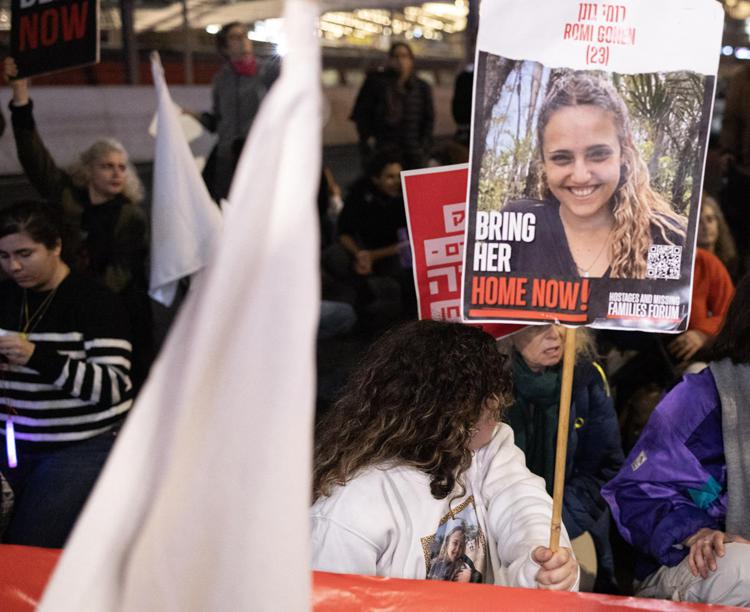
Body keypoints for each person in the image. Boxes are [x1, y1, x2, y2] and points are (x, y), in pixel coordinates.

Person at [311, 320, 579, 590]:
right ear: (453, 409)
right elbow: (334, 598)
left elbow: (522, 504)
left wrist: (540, 563)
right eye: (488, 396)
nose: (499, 404)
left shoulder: (486, 446)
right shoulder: (350, 508)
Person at [601, 274, 750, 606]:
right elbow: (634, 491)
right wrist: (695, 530)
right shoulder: (702, 398)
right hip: (689, 561)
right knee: (744, 570)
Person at [4, 57, 152, 388]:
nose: (116, 173)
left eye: (121, 167)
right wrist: (21, 97)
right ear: (87, 170)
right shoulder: (66, 197)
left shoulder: (131, 216)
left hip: (111, 311)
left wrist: (83, 298)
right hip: (64, 305)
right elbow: (33, 156)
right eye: (107, 166)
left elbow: (121, 273)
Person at [0, 201, 134, 548]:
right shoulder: (6, 297)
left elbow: (112, 388)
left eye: (25, 254)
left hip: (83, 444)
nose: (13, 266)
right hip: (15, 441)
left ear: (56, 246)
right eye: (3, 256)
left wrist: (36, 356)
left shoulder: (95, 302)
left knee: (31, 541)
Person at [503, 71, 686, 279]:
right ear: (543, 162)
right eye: (562, 158)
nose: (580, 176)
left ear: (624, 153)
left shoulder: (666, 238)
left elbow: (671, 306)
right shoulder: (516, 224)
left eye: (598, 155)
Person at [499, 324, 623, 591]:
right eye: (539, 326)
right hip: (500, 520)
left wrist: (552, 523)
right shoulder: (488, 384)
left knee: (565, 581)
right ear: (508, 333)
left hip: (567, 520)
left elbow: (604, 470)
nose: (556, 333)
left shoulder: (587, 379)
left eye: (562, 322)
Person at [323, 148, 413, 318]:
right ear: (375, 178)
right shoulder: (359, 195)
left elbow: (410, 241)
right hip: (363, 249)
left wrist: (372, 256)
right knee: (334, 256)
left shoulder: (408, 197)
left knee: (404, 272)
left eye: (398, 176)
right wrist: (359, 254)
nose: (396, 182)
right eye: (390, 177)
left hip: (393, 253)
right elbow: (344, 231)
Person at [198, 22, 278, 201]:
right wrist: (195, 116)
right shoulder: (221, 79)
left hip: (259, 155)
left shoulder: (269, 72)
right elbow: (218, 122)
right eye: (235, 37)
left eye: (245, 35)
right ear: (225, 48)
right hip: (228, 158)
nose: (243, 40)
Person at [350, 42, 434, 170]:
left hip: (413, 153)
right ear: (389, 60)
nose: (400, 60)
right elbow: (361, 114)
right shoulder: (375, 83)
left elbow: (429, 119)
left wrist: (423, 147)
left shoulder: (422, 87)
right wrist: (369, 141)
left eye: (404, 56)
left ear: (411, 60)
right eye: (396, 56)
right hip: (382, 153)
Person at [696, 194, 738, 281]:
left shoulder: (731, 263)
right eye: (699, 221)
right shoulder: (690, 268)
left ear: (718, 223)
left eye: (710, 219)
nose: (706, 226)